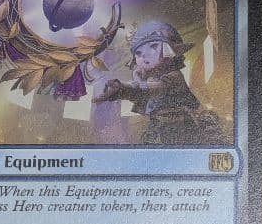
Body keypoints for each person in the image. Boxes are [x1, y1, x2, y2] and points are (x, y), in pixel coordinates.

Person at [96, 20, 225, 145]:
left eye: (153, 46)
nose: (144, 56)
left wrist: (124, 88)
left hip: (181, 128)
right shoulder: (149, 79)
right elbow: (143, 92)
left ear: (169, 50)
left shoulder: (174, 76)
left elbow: (154, 89)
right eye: (138, 53)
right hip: (159, 127)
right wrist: (129, 85)